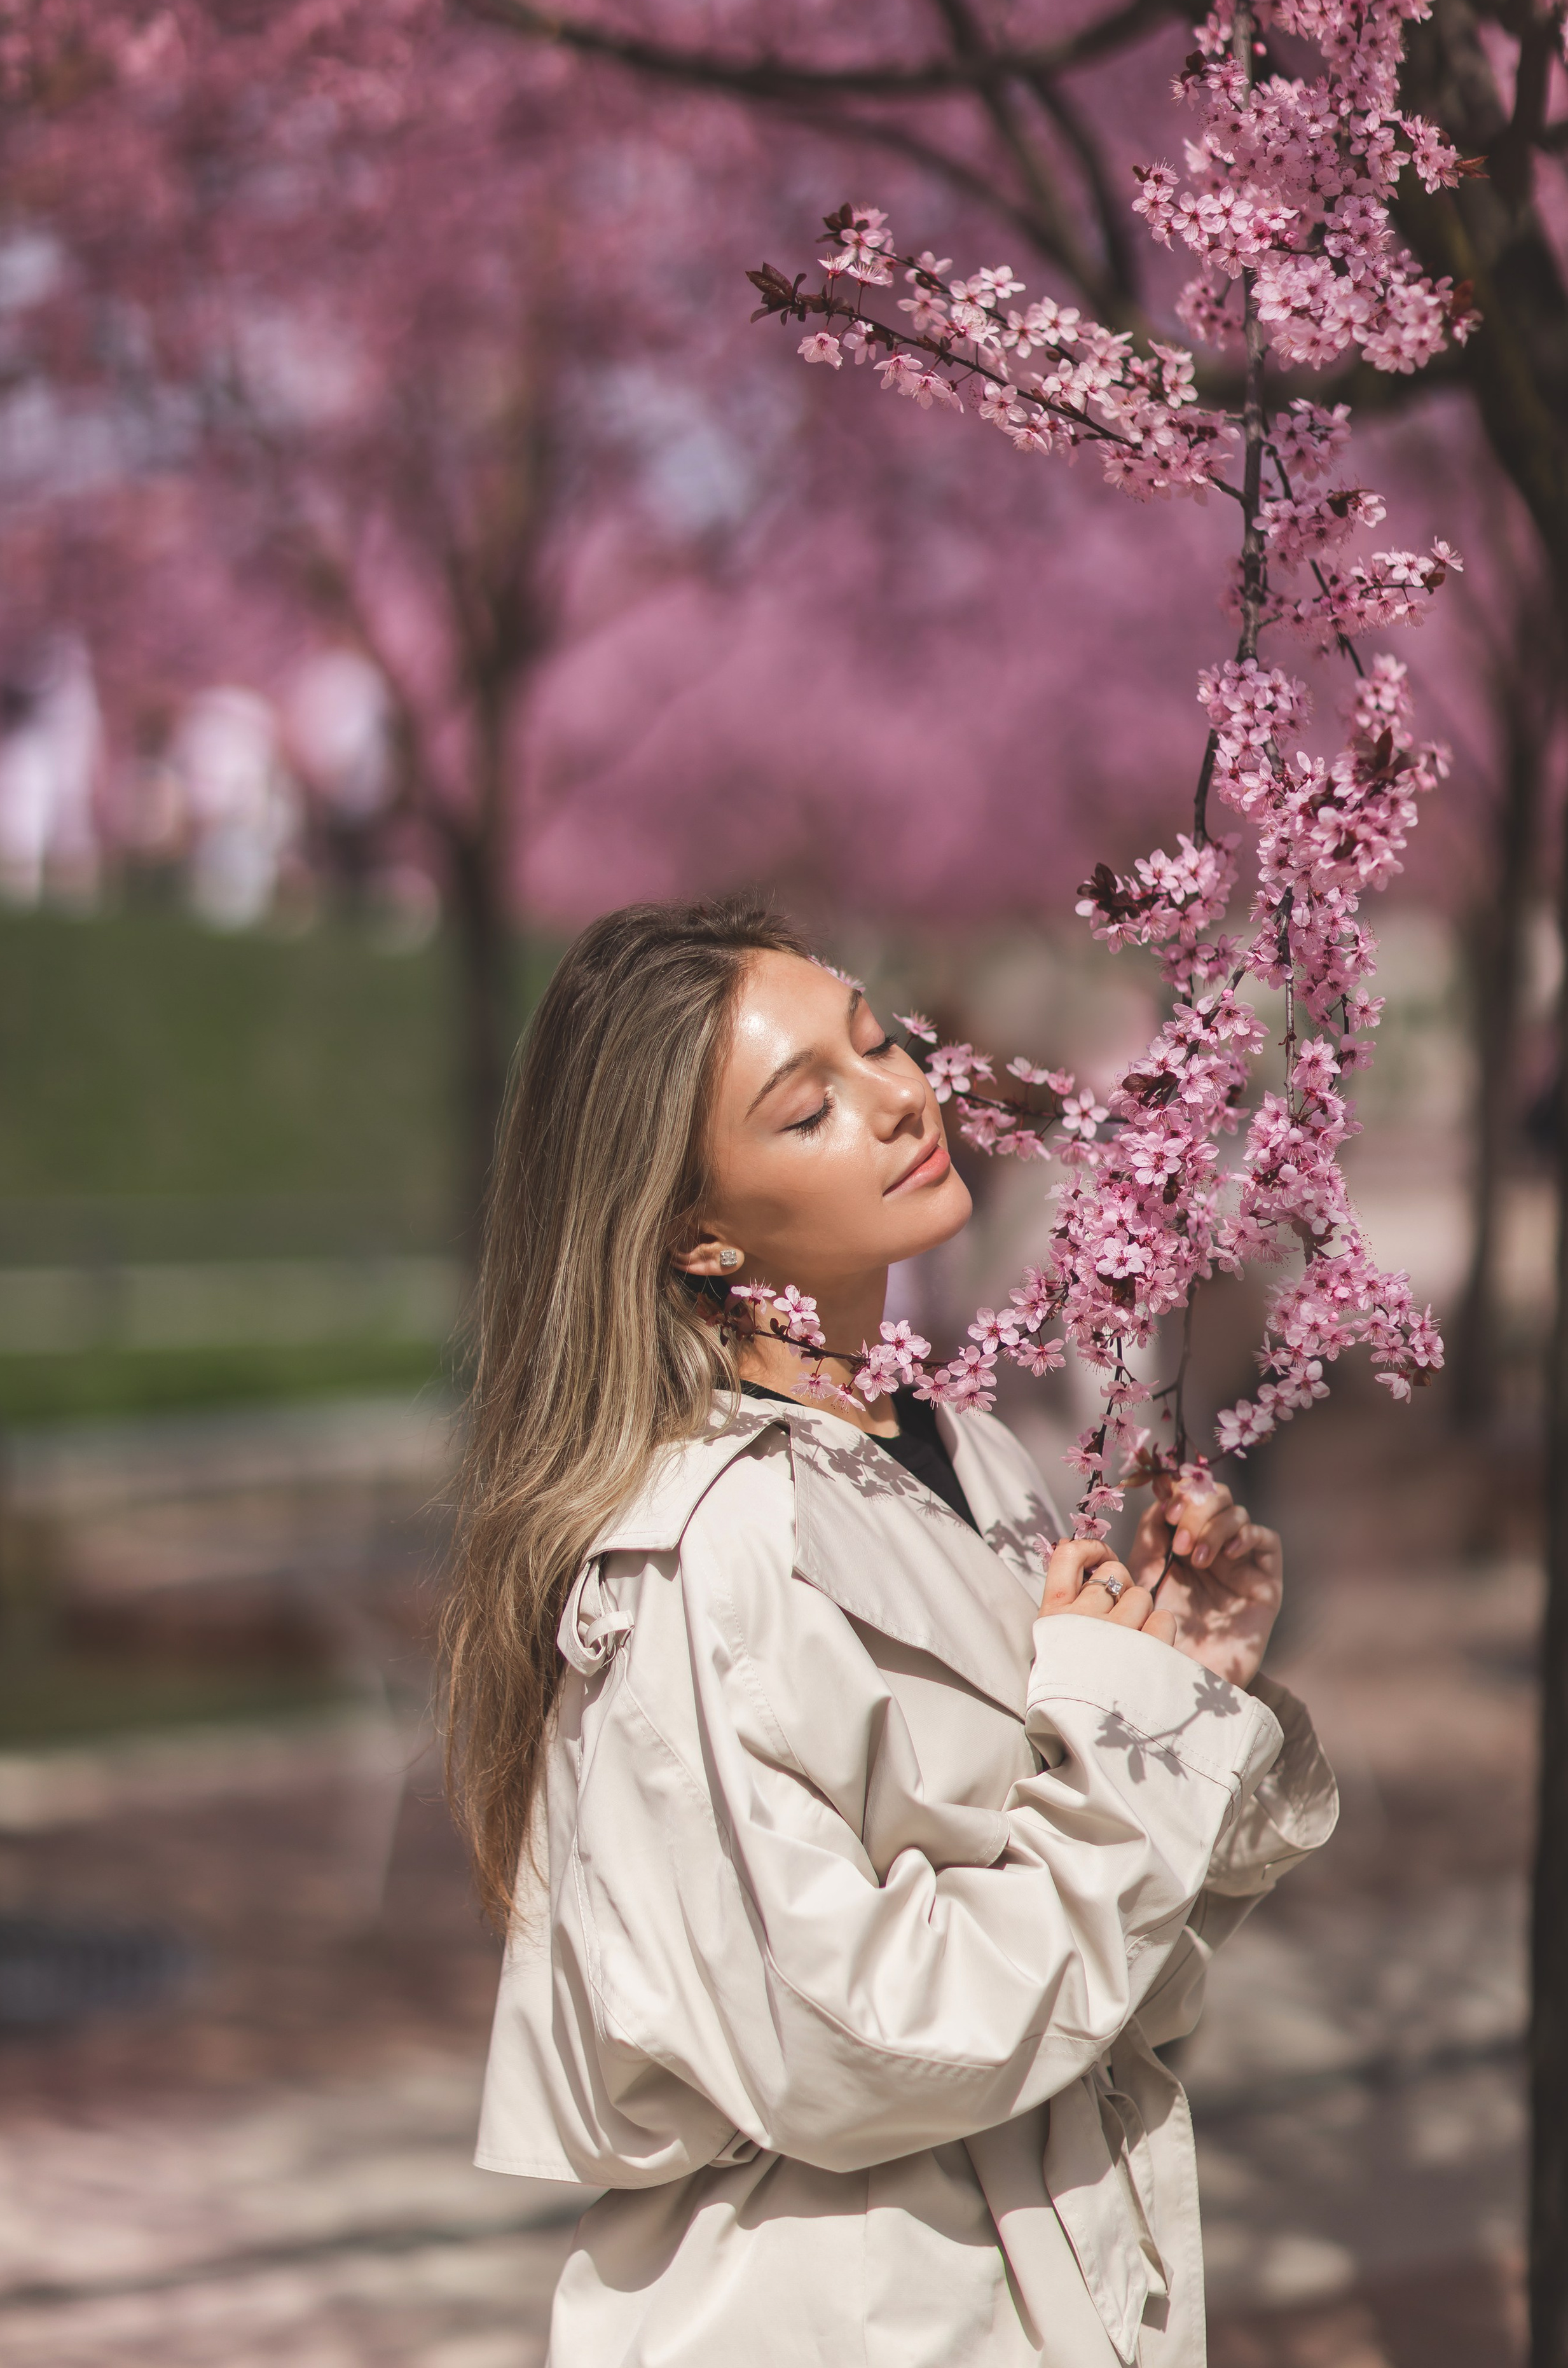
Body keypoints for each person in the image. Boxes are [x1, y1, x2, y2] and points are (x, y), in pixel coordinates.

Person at [451, 897, 1338, 2367]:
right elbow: (852, 2038)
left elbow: (1103, 1974)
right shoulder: (705, 1553)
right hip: (847, 2305)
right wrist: (1116, 1751)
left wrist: (1178, 1689)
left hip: (1033, 2273)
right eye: (806, 1108)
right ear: (694, 1230)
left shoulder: (965, 1450)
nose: (897, 1100)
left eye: (876, 1042)